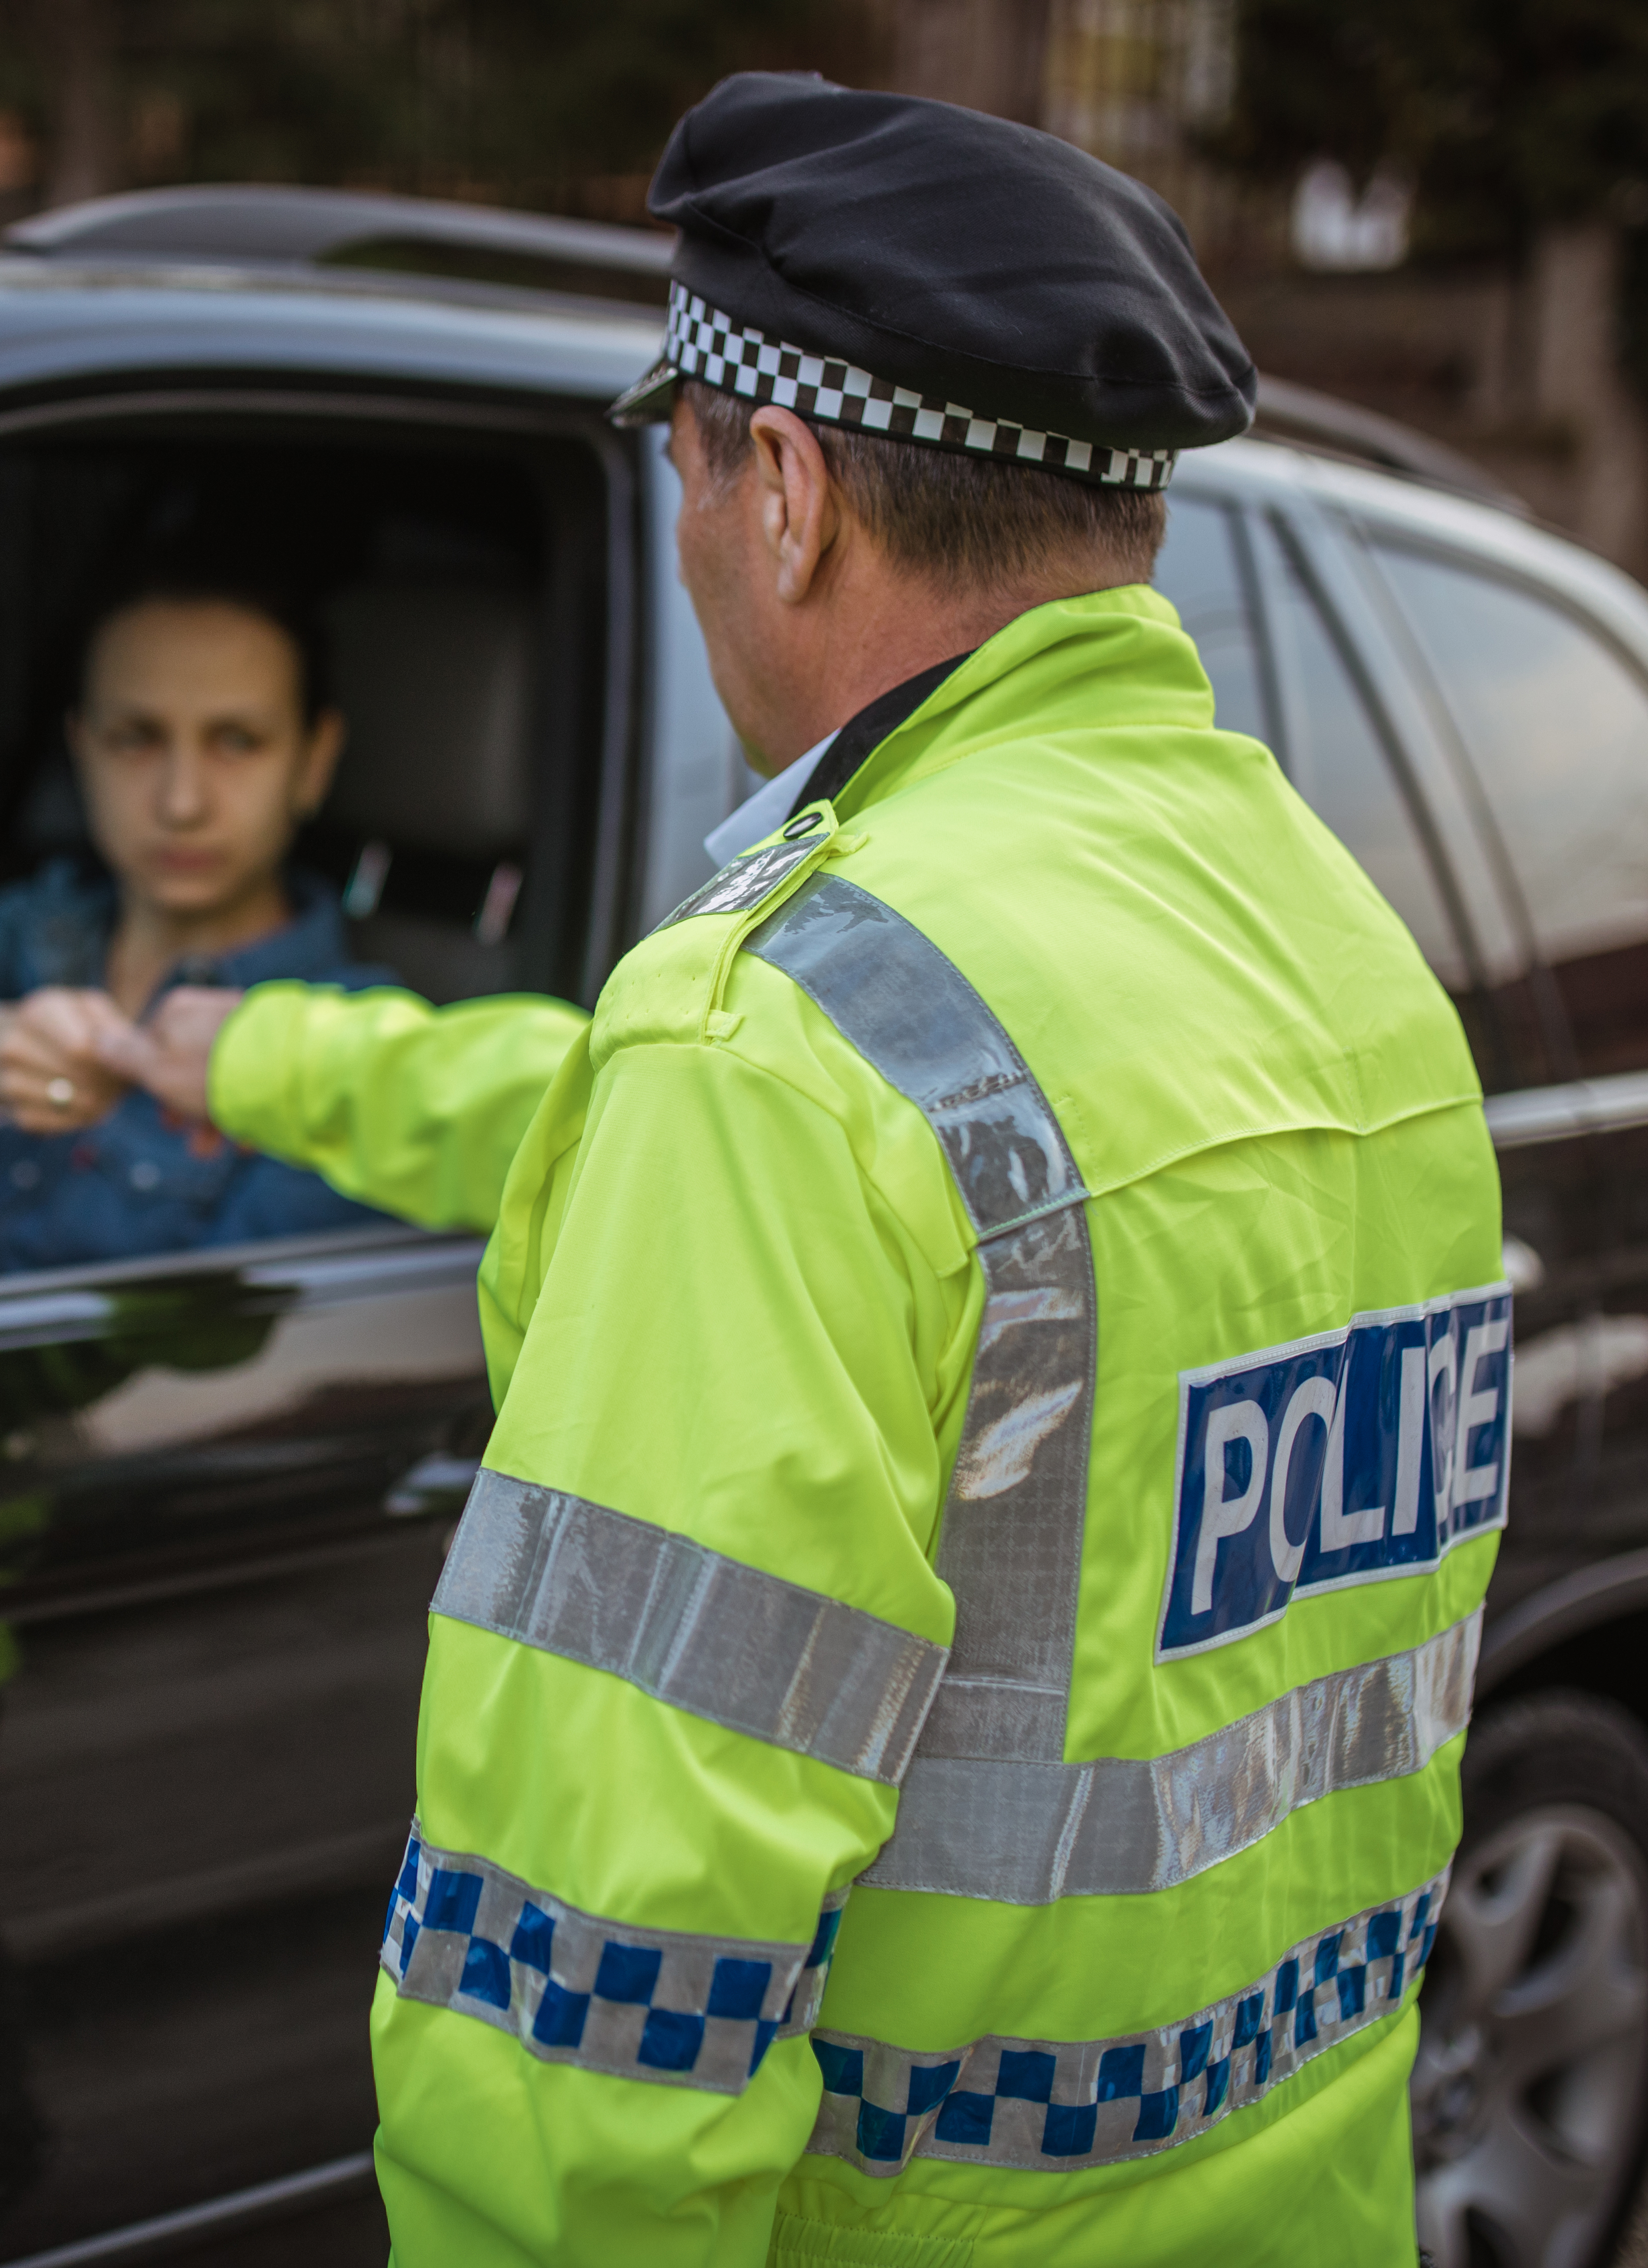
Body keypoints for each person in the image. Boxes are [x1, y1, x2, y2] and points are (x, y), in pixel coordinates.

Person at [99, 76, 1508, 2266]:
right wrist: (258, 1055)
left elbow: (593, 1996)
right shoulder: (1334, 947)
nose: (683, 544)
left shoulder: (783, 1041)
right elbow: (885, 1166)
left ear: (780, 487)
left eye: (680, 470)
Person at [0, 570, 397, 1285]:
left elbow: (223, 1348)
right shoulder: (34, 926)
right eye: (135, 738)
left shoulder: (349, 1039)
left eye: (237, 741)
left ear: (314, 761)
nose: (181, 802)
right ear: (82, 748)